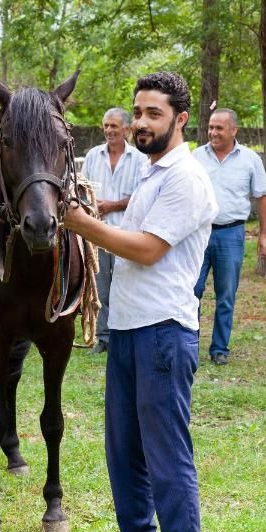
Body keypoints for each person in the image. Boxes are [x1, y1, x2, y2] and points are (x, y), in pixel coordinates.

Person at [65, 72, 218, 532]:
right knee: (124, 449)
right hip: (127, 329)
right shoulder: (152, 174)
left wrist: (80, 224)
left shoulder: (186, 178)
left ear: (179, 120)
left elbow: (147, 249)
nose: (141, 123)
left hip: (163, 331)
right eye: (138, 112)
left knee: (165, 450)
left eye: (154, 113)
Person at [193, 108, 266, 365]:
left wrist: (264, 235)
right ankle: (189, 343)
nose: (213, 132)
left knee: (226, 295)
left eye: (219, 128)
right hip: (198, 234)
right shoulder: (196, 157)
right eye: (211, 127)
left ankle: (219, 349)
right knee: (191, 291)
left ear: (233, 130)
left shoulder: (250, 159)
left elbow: (262, 197)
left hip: (232, 234)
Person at [82, 108, 147, 354]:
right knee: (99, 286)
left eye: (114, 127)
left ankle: (124, 335)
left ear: (127, 129)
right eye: (106, 126)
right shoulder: (92, 156)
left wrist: (113, 205)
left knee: (125, 283)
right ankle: (103, 337)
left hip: (126, 233)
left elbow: (143, 195)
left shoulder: (140, 159)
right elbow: (82, 188)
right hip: (97, 231)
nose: (109, 130)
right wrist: (91, 205)